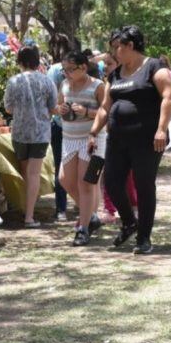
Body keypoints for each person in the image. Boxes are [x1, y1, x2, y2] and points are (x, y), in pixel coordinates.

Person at [88, 26, 171, 254]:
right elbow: (105, 107)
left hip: (147, 139)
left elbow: (168, 97)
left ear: (130, 46)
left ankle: (144, 238)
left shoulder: (155, 68)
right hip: (118, 140)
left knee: (144, 185)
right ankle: (129, 222)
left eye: (118, 46)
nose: (115, 51)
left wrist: (161, 130)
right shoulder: (115, 75)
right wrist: (94, 132)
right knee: (113, 182)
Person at [4, 46, 58, 228]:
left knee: (27, 174)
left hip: (19, 133)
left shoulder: (13, 81)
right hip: (40, 132)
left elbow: (8, 108)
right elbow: (53, 108)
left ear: (20, 61)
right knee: (34, 174)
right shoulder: (47, 81)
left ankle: (25, 211)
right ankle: (29, 216)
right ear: (36, 61)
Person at [57, 51, 106, 245]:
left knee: (85, 184)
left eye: (71, 69)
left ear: (83, 67)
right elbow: (58, 106)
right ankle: (92, 215)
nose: (67, 73)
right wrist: (59, 110)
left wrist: (86, 111)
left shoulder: (98, 86)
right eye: (64, 69)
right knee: (64, 180)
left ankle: (83, 229)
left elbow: (106, 113)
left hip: (91, 139)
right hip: (68, 138)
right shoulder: (64, 85)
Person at [46, 34, 72, 222]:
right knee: (80, 166)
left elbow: (50, 99)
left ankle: (61, 209)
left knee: (60, 167)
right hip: (79, 125)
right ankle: (84, 204)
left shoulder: (53, 70)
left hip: (58, 123)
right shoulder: (78, 66)